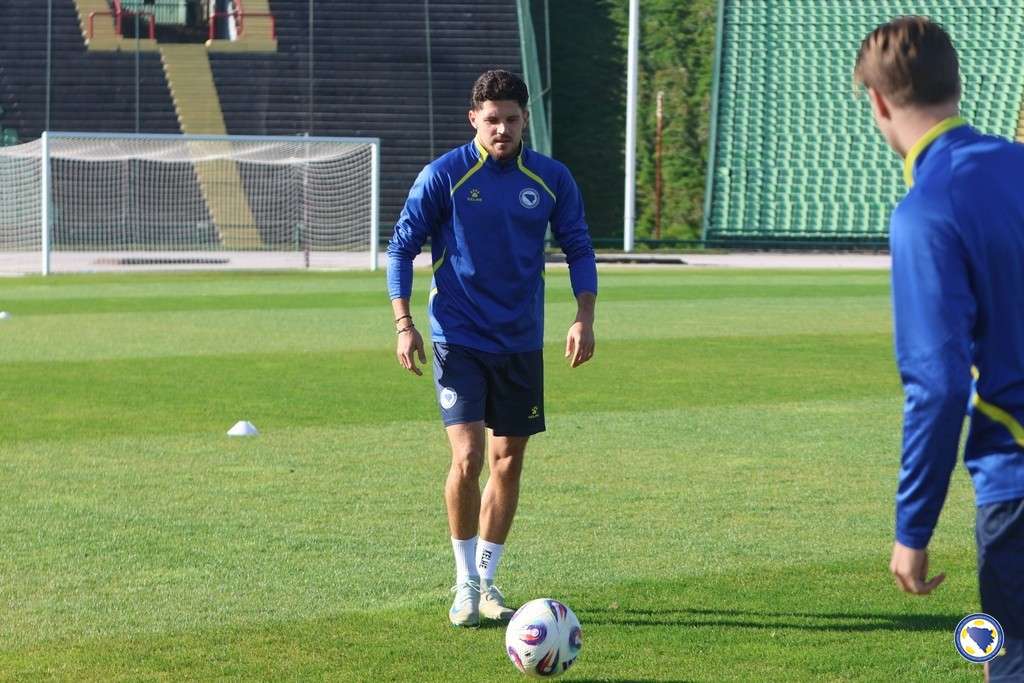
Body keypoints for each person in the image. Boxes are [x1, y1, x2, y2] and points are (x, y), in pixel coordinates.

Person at [386, 69, 598, 627]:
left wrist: (584, 316)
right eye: (491, 120)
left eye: (511, 119)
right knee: (468, 458)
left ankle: (486, 580)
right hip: (458, 336)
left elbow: (578, 246)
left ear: (525, 120)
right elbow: (401, 247)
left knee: (508, 461)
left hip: (520, 341)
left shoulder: (551, 178)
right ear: (473, 119)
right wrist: (404, 322)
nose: (501, 129)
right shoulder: (444, 175)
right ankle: (463, 583)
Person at [855, 17, 1024, 681]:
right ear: (957, 84)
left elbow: (940, 385)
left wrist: (913, 528)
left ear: (877, 101)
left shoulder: (927, 209)